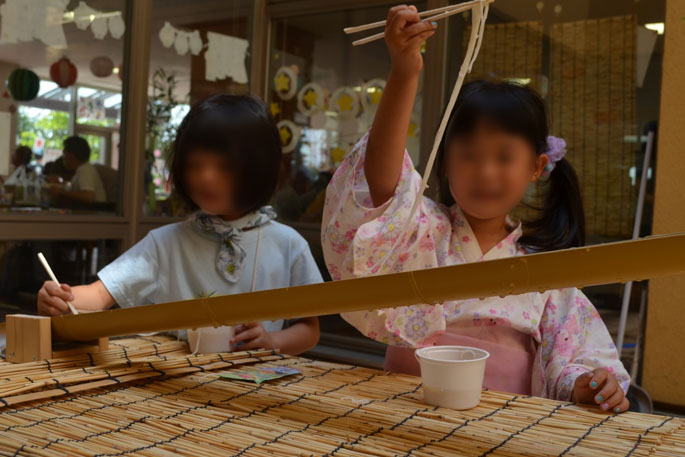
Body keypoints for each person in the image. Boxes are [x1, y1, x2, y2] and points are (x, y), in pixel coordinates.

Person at [321, 6, 629, 412]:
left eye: (503, 157)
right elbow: (381, 189)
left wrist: (588, 384)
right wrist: (404, 73)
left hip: (501, 424)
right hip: (400, 411)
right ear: (445, 160)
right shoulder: (423, 232)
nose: (485, 171)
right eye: (469, 154)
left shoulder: (548, 277)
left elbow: (572, 361)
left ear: (536, 167)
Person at [38, 95, 322, 355]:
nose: (206, 177)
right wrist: (61, 299)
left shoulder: (288, 244)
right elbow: (99, 295)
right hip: (179, 389)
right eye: (196, 165)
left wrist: (273, 342)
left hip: (259, 392)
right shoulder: (165, 243)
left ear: (258, 170)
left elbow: (309, 329)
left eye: (224, 167)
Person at [50, 136, 107, 204]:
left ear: (71, 156)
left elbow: (88, 197)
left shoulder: (84, 170)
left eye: (64, 153)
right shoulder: (83, 169)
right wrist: (62, 184)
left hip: (94, 213)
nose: (63, 157)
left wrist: (61, 192)